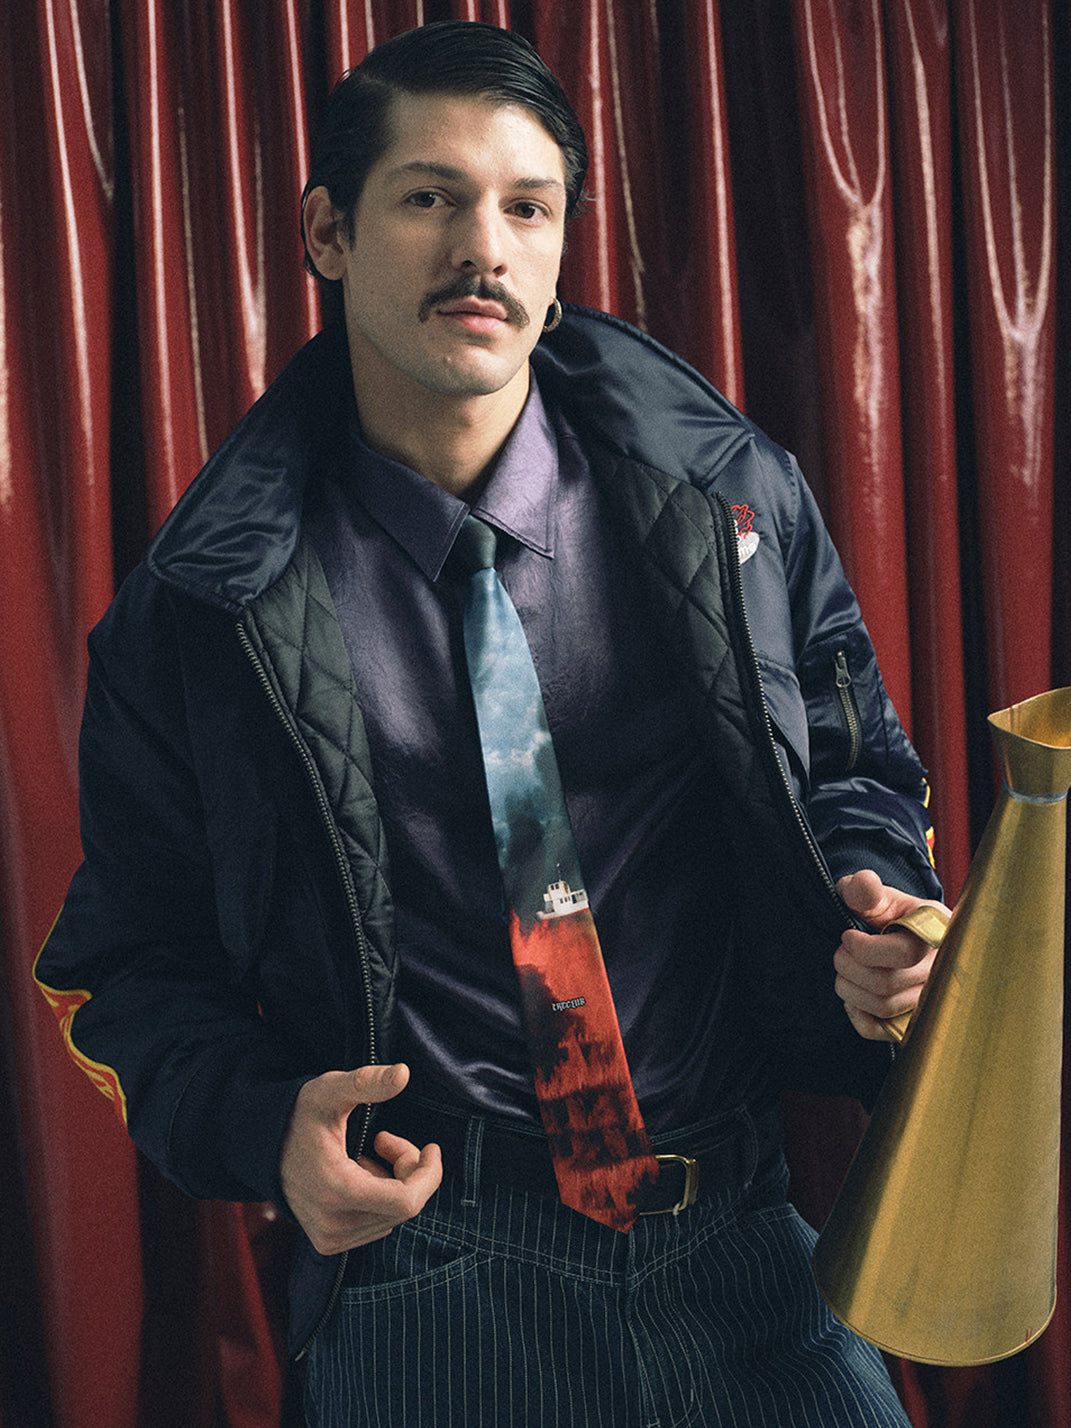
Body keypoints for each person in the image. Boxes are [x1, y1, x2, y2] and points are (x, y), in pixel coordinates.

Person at [36, 21, 946, 1428]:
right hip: (434, 1276)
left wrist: (876, 899)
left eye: (529, 207)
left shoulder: (731, 499)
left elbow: (854, 769)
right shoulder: (203, 610)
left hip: (748, 1243)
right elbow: (128, 966)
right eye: (430, 198)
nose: (486, 250)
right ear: (327, 234)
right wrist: (268, 1130)